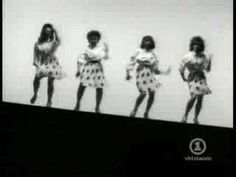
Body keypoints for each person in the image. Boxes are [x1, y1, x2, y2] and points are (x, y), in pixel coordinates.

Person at [126, 35, 171, 119]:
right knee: (143, 93)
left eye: (149, 41)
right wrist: (128, 72)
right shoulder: (138, 51)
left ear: (152, 43)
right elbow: (131, 62)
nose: (147, 42)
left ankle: (146, 112)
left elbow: (155, 68)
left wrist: (164, 71)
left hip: (150, 74)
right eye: (146, 40)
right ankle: (135, 109)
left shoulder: (153, 53)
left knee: (152, 94)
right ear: (143, 42)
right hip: (141, 73)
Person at [179, 36, 212, 124]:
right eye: (194, 44)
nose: (196, 46)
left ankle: (196, 118)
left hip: (201, 77)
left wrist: (210, 60)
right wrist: (183, 77)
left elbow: (207, 70)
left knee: (200, 99)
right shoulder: (188, 56)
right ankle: (185, 115)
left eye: (198, 44)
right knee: (193, 96)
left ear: (201, 46)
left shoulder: (204, 57)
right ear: (192, 45)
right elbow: (181, 68)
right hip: (192, 77)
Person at [74, 30, 109, 113]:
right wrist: (78, 70)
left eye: (95, 38)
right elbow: (80, 59)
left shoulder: (100, 49)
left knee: (99, 87)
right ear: (88, 39)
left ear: (98, 39)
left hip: (97, 68)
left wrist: (107, 50)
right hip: (88, 67)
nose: (93, 39)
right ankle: (78, 103)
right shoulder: (85, 48)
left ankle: (97, 107)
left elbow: (105, 57)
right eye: (91, 38)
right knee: (82, 86)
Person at [30, 23, 64, 107]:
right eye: (46, 31)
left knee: (50, 82)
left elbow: (59, 41)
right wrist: (36, 63)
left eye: (49, 32)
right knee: (36, 79)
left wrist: (55, 31)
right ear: (43, 32)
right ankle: (35, 94)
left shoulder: (53, 42)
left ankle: (49, 101)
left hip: (52, 62)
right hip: (42, 62)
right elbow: (35, 54)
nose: (47, 33)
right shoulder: (38, 43)